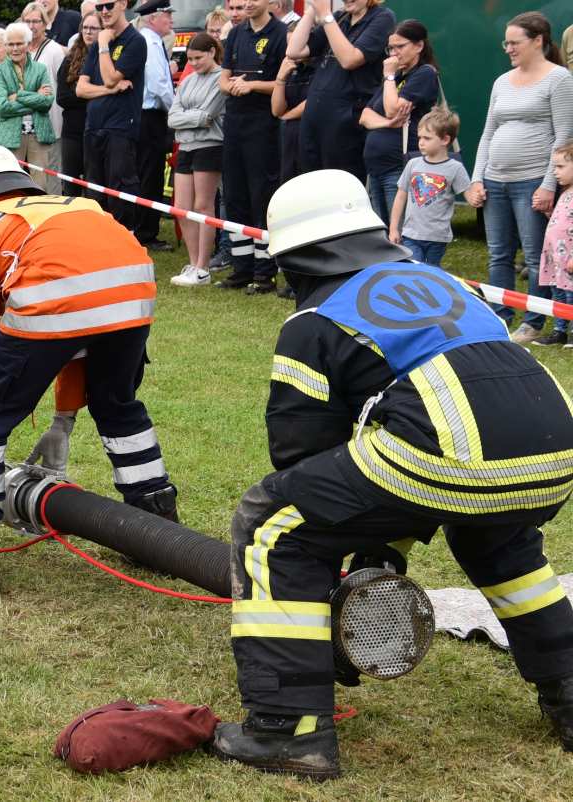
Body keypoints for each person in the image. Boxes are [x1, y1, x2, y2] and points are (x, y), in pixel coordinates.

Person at [209, 167, 573, 780]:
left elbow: (302, 452)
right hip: (554, 443)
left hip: (454, 446)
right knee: (499, 538)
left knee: (276, 521)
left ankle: (286, 728)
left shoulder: (317, 319)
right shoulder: (446, 281)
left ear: (298, 257)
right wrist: (376, 552)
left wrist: (338, 564)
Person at [0, 144, 180, 599]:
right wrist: (63, 421)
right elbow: (78, 333)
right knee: (118, 405)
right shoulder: (78, 205)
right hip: (133, 294)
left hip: (66, 294)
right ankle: (159, 533)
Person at [466, 12, 573, 345]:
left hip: (531, 182)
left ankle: (533, 321)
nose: (508, 49)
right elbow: (488, 132)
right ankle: (500, 317)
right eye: (506, 43)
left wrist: (547, 184)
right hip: (495, 180)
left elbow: (564, 135)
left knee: (532, 254)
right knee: (498, 253)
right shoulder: (502, 81)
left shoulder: (559, 79)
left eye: (514, 42)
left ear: (538, 40)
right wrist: (476, 178)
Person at [216, 0, 285, 294]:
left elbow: (284, 83)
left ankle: (264, 273)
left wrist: (253, 86)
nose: (246, 4)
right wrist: (231, 86)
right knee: (235, 195)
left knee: (261, 196)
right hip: (234, 123)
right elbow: (223, 79)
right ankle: (241, 269)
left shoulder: (281, 33)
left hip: (263, 125)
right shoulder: (235, 32)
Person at [287, 0, 395, 182]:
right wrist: (312, 10)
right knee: (312, 183)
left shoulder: (381, 18)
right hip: (315, 117)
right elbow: (294, 50)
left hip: (346, 119)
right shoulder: (340, 18)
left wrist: (326, 17)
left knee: (339, 186)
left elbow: (349, 59)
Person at [359, 19, 439, 225]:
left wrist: (388, 76)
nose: (394, 54)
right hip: (376, 168)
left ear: (419, 46)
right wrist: (387, 123)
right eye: (391, 48)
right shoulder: (396, 79)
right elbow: (365, 116)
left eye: (400, 47)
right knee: (383, 233)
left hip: (399, 167)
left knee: (401, 232)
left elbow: (391, 108)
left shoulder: (424, 73)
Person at [75, 0, 146, 231]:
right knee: (95, 190)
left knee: (120, 189)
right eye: (99, 7)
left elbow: (109, 77)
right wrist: (110, 90)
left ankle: (125, 239)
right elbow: (81, 89)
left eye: (109, 5)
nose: (104, 11)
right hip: (94, 125)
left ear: (123, 4)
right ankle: (100, 242)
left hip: (120, 126)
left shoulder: (135, 41)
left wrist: (104, 45)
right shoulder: (97, 44)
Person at [168, 32, 225, 287]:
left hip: (210, 146)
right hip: (187, 146)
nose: (194, 63)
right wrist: (195, 117)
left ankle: (203, 266)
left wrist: (189, 117)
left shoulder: (221, 78)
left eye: (198, 58)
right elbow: (172, 117)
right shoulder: (188, 79)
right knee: (182, 207)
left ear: (212, 52)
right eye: (190, 58)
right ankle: (193, 263)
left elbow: (209, 115)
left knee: (203, 206)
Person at [387, 108, 468, 267]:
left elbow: (469, 194)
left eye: (427, 138)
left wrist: (477, 194)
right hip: (411, 235)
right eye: (420, 138)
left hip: (437, 238)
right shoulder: (413, 164)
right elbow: (401, 196)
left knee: (432, 274)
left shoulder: (455, 168)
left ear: (445, 140)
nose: (421, 142)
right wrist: (393, 228)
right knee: (414, 271)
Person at [133, 0, 177, 251]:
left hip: (148, 116)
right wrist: (176, 112)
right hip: (150, 116)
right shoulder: (150, 42)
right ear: (153, 18)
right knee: (149, 175)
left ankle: (145, 228)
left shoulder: (150, 40)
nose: (171, 19)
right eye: (166, 15)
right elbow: (159, 84)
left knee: (147, 172)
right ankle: (146, 232)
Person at [0, 22, 55, 187]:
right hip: (9, 136)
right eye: (10, 44)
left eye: (19, 43)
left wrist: (18, 96)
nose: (15, 48)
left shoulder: (40, 69)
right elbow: (1, 107)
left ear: (27, 44)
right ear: (5, 46)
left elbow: (47, 102)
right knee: (11, 184)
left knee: (41, 184)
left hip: (38, 135)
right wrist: (35, 97)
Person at [21, 2, 65, 195]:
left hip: (50, 126)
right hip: (22, 126)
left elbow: (61, 88)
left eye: (36, 21)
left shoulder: (54, 51)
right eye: (28, 21)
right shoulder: (19, 50)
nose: (32, 26)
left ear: (45, 23)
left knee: (50, 180)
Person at [55, 11, 99, 197]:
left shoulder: (107, 58)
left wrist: (83, 94)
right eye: (85, 28)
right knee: (71, 182)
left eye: (93, 28)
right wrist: (90, 93)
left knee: (95, 183)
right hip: (73, 130)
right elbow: (62, 98)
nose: (88, 32)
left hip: (98, 129)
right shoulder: (70, 59)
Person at [536, 142, 573, 348]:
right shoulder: (565, 193)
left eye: (560, 167)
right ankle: (560, 331)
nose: (555, 173)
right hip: (556, 258)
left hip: (569, 260)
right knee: (558, 294)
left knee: (571, 294)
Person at [271, 48, 313, 183]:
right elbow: (277, 110)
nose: (290, 51)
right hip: (290, 138)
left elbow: (314, 99)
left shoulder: (320, 66)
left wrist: (288, 115)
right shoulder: (292, 68)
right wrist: (280, 78)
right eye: (288, 45)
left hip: (311, 134)